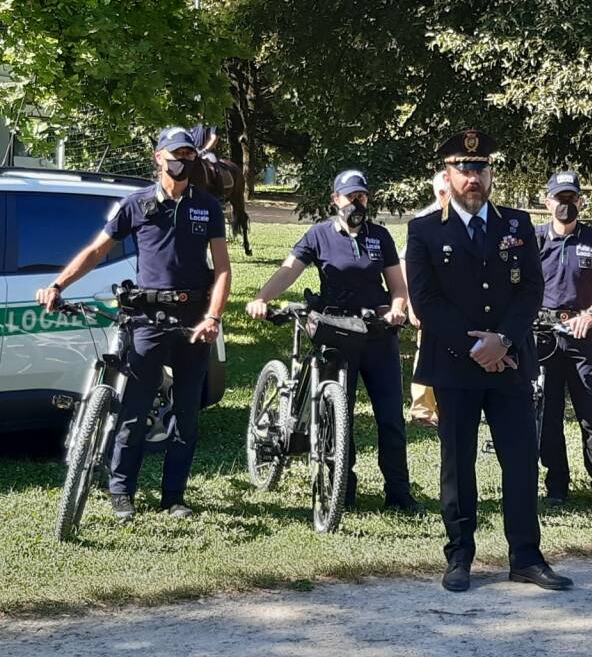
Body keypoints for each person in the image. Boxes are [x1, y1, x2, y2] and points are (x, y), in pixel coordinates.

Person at [405, 129, 572, 592]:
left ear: (490, 174)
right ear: (447, 175)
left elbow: (530, 291)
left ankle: (526, 557)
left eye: (479, 168)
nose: (472, 177)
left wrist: (503, 340)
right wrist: (476, 347)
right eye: (462, 168)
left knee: (519, 461)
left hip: (511, 363)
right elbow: (426, 299)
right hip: (455, 366)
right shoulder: (423, 230)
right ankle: (459, 557)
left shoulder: (518, 226)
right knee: (458, 466)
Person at [36, 126, 231, 520]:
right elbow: (95, 251)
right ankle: (121, 493)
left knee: (187, 415)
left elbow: (223, 269)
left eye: (189, 155)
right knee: (133, 411)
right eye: (175, 154)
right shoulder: (136, 205)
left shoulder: (206, 207)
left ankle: (174, 497)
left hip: (194, 320)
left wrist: (213, 316)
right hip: (148, 318)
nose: (183, 161)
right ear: (159, 157)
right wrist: (58, 283)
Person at [245, 169, 419, 512]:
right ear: (335, 200)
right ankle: (343, 489)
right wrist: (261, 298)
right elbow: (289, 270)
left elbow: (398, 286)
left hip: (377, 333)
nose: (357, 202)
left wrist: (398, 308)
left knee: (390, 419)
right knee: (338, 415)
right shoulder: (319, 235)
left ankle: (398, 493)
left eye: (362, 196)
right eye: (350, 196)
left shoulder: (379, 236)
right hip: (336, 332)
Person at [534, 170, 592, 509]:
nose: (565, 204)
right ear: (547, 201)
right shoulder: (535, 239)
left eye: (571, 197)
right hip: (544, 336)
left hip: (581, 335)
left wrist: (591, 315)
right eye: (560, 197)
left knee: (591, 413)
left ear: (580, 200)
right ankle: (556, 486)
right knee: (547, 414)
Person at [400, 171, 448, 428]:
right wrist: (411, 303)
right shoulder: (423, 221)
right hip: (428, 299)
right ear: (441, 193)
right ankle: (422, 408)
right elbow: (405, 263)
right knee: (426, 350)